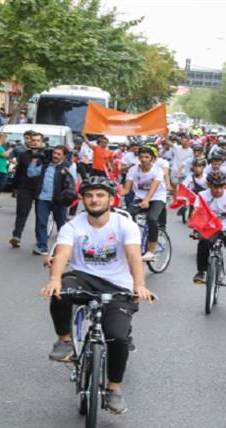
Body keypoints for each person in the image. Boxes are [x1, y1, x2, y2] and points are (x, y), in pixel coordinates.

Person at [41, 176, 157, 414]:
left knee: (118, 337)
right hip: (83, 277)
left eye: (100, 195)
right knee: (60, 290)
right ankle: (64, 341)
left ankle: (114, 389)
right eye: (90, 195)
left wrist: (139, 285)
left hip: (117, 285)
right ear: (83, 200)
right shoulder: (73, 225)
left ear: (111, 200)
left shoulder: (125, 225)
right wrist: (54, 278)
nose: (95, 200)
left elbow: (134, 256)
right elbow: (62, 254)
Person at [193, 172, 226, 287]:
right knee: (203, 242)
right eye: (215, 187)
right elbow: (196, 212)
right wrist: (194, 224)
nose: (219, 190)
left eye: (222, 186)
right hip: (210, 228)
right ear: (209, 185)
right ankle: (201, 272)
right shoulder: (202, 195)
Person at [123, 146, 166, 262]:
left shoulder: (158, 170)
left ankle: (151, 250)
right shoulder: (133, 170)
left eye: (147, 157)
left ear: (152, 158)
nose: (143, 159)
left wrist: (146, 200)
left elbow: (153, 187)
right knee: (126, 215)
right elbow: (126, 189)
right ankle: (132, 240)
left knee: (152, 219)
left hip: (157, 198)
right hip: (140, 198)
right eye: (141, 157)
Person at [34, 145, 76, 255]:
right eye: (54, 153)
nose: (55, 156)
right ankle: (42, 246)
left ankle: (61, 249)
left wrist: (66, 174)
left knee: (62, 226)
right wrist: (35, 159)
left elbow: (73, 183)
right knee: (41, 223)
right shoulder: (46, 165)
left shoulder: (69, 166)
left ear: (64, 156)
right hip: (43, 199)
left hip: (59, 201)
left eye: (58, 154)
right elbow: (31, 173)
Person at [10, 132, 46, 248]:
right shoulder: (24, 154)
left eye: (37, 140)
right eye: (33, 140)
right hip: (25, 187)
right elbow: (19, 171)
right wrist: (15, 187)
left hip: (41, 188)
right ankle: (16, 236)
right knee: (22, 212)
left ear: (42, 142)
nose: (34, 143)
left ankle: (39, 238)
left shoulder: (47, 155)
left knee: (40, 215)